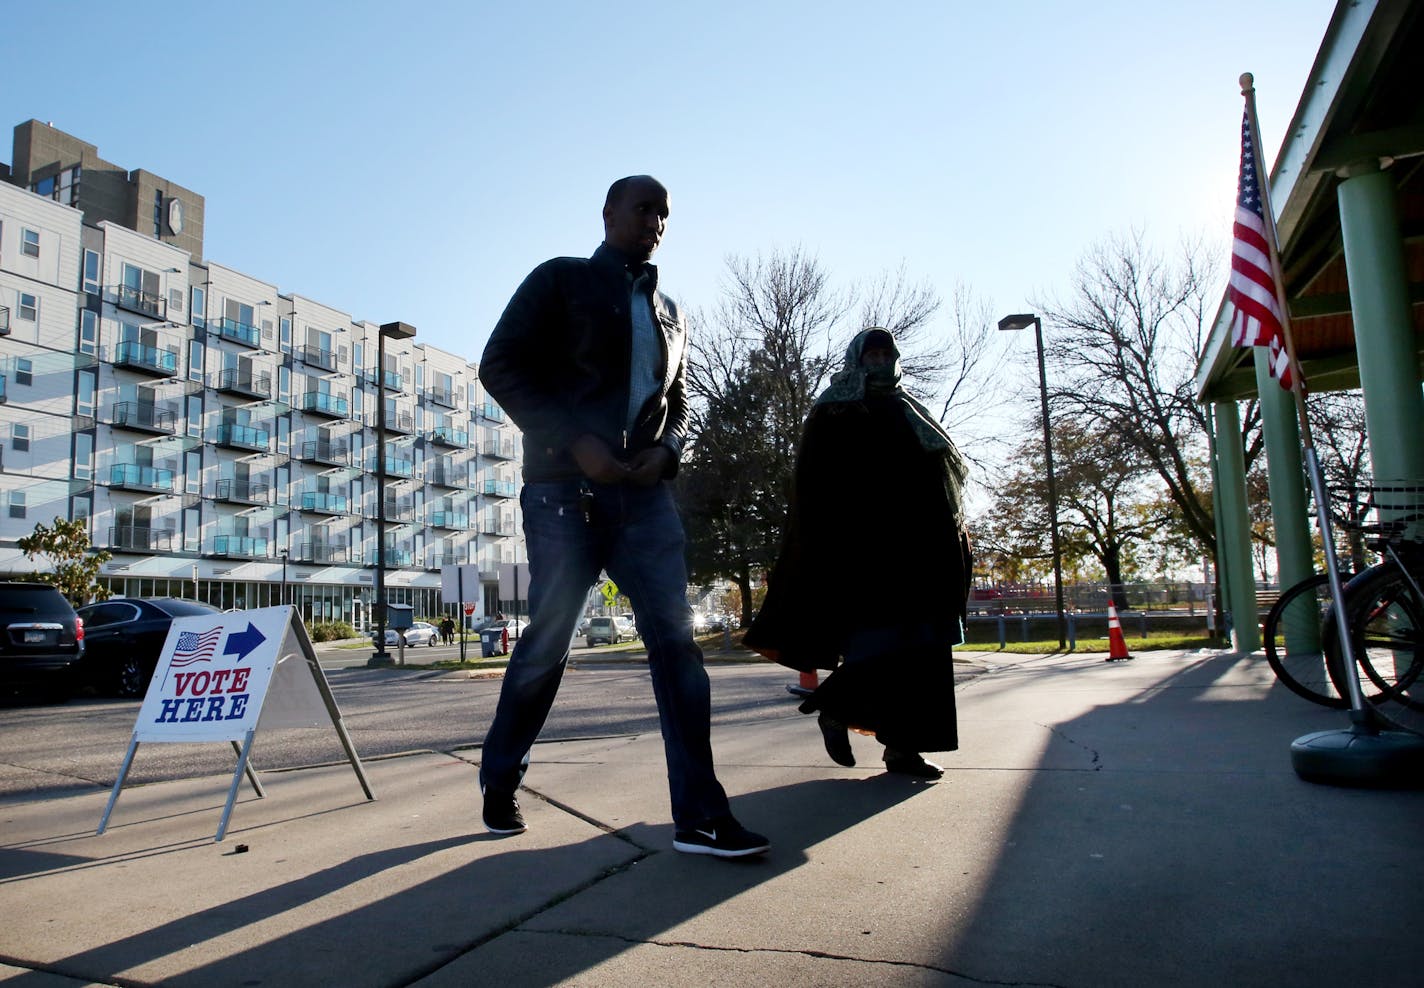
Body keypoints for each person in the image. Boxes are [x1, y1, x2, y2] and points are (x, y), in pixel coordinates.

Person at [476, 175, 769, 858]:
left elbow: (684, 401)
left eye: (664, 214)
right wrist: (573, 443)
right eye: (643, 209)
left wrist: (668, 452)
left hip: (645, 498)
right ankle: (500, 777)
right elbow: (502, 365)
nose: (655, 223)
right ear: (608, 213)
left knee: (677, 644)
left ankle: (699, 815)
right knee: (547, 643)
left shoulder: (672, 311)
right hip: (562, 494)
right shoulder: (560, 280)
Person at [745, 327, 972, 779]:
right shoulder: (835, 409)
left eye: (887, 354)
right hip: (868, 555)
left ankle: (904, 751)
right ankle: (834, 707)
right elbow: (813, 488)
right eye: (872, 354)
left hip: (926, 552)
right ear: (857, 359)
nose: (880, 361)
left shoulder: (913, 409)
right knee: (883, 646)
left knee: (924, 652)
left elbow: (945, 480)